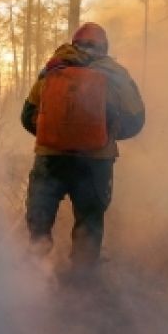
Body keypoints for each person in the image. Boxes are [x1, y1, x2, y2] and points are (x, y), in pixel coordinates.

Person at [20, 22, 145, 268]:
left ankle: (34, 273)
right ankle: (82, 279)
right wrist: (105, 134)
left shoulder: (54, 68)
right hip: (95, 161)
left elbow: (27, 115)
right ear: (104, 47)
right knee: (90, 219)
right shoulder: (115, 73)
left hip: (50, 158)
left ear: (74, 43)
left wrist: (54, 134)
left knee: (40, 218)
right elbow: (136, 119)